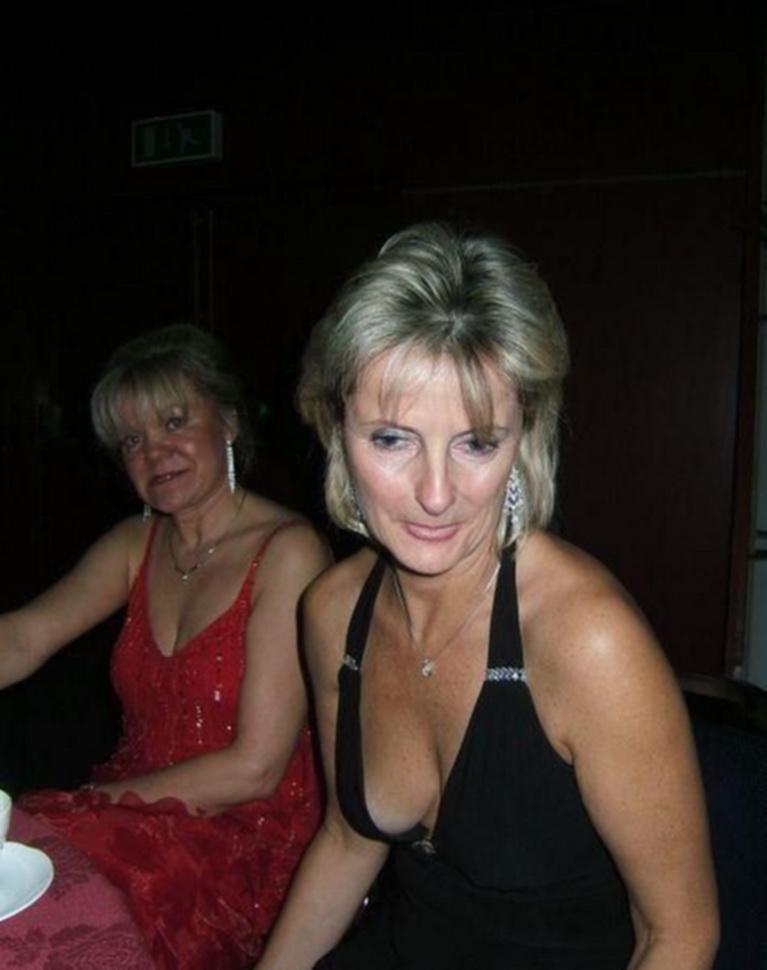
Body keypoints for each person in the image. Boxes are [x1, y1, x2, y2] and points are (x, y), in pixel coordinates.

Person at [256, 224, 719, 969]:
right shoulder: (330, 613)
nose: (436, 495)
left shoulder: (587, 641)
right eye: (392, 439)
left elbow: (680, 936)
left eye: (476, 442)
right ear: (336, 430)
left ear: (523, 437)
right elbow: (348, 841)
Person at [0, 325, 330, 969]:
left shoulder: (289, 551)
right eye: (132, 440)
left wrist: (93, 805)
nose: (155, 453)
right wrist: (99, 808)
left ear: (228, 421)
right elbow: (23, 636)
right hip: (127, 812)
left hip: (243, 834)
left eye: (175, 423)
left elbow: (256, 769)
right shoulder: (136, 543)